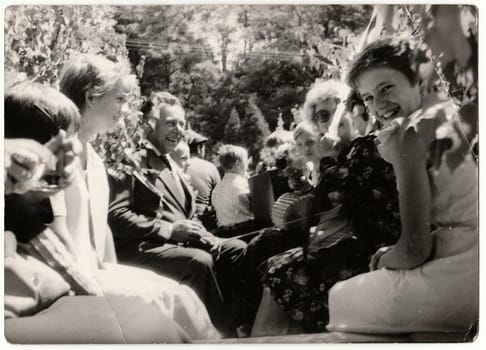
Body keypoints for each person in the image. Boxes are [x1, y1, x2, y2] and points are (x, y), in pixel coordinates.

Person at [4, 81, 192, 343]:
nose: (71, 153)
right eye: (64, 143)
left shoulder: (27, 199)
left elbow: (66, 252)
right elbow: (59, 256)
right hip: (22, 310)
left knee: (158, 316)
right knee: (150, 325)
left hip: (47, 295)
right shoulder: (17, 187)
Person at [58, 54, 221, 340]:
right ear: (92, 96)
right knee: (168, 319)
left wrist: (116, 275)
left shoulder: (94, 161)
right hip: (68, 285)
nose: (124, 110)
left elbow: (101, 233)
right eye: (119, 99)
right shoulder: (56, 158)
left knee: (185, 299)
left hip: (98, 273)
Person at [327, 35, 478, 334]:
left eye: (386, 88)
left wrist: (385, 259)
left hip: (467, 275)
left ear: (420, 80)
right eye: (368, 97)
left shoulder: (412, 134)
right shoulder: (451, 114)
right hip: (468, 255)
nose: (378, 105)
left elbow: (413, 249)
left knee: (340, 296)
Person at [251, 80, 401, 336]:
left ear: (352, 112)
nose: (326, 122)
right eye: (319, 117)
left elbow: (345, 194)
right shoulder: (343, 154)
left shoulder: (368, 146)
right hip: (349, 247)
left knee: (281, 271)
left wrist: (327, 159)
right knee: (272, 262)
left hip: (374, 249)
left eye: (331, 113)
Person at [107, 91, 247, 337]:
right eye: (170, 123)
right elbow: (116, 216)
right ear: (149, 124)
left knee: (235, 248)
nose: (179, 130)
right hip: (141, 248)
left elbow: (187, 214)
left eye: (182, 123)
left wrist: (204, 235)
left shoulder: (172, 163)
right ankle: (217, 337)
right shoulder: (133, 161)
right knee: (198, 262)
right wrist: (170, 230)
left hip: (178, 245)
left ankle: (233, 324)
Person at [211, 144, 254, 228]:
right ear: (238, 164)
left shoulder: (216, 190)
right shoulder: (245, 185)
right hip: (247, 230)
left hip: (225, 234)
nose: (247, 166)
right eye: (246, 161)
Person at [186, 129, 221, 217]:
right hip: (204, 218)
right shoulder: (210, 167)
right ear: (199, 149)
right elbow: (219, 197)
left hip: (182, 216)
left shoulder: (175, 166)